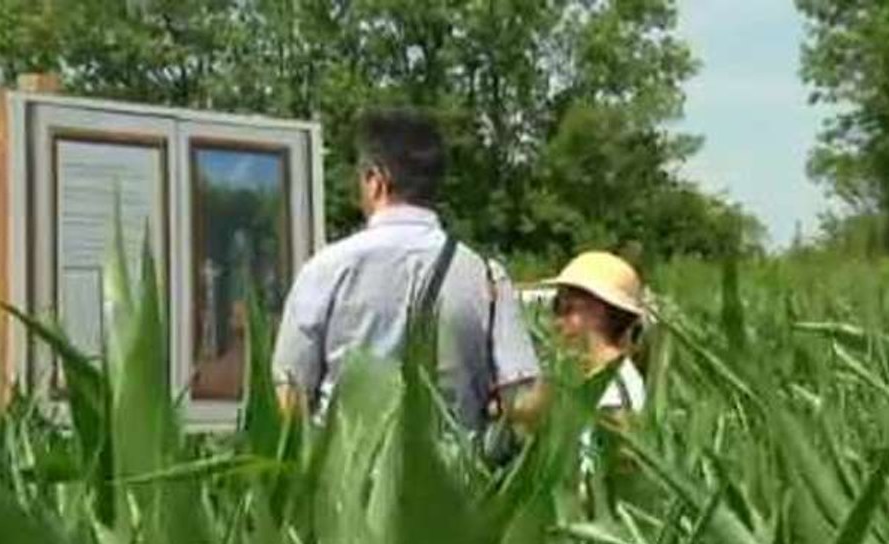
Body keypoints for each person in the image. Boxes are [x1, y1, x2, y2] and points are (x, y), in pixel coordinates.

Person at [271, 108, 542, 432]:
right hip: (451, 476)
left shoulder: (325, 270)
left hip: (347, 475)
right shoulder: (485, 275)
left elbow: (288, 400)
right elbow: (525, 401)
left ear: (376, 181)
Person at [548, 251, 648, 415]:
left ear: (597, 312)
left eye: (565, 307)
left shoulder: (615, 392)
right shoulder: (596, 380)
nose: (557, 322)